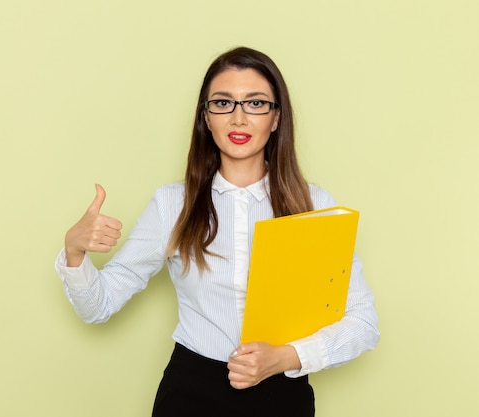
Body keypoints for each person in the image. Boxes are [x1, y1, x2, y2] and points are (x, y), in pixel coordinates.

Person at [55, 46, 380, 417]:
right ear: (206, 118)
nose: (238, 119)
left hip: (283, 396)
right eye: (223, 103)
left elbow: (363, 322)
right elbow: (100, 306)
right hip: (191, 393)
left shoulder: (316, 205)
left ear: (276, 119)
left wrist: (286, 357)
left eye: (255, 104)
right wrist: (74, 253)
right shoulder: (172, 204)